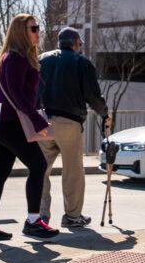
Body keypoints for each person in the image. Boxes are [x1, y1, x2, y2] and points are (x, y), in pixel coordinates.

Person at [0, 14, 58, 241]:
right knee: (38, 165)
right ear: (20, 32)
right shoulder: (16, 58)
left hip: (4, 122)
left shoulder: (15, 56)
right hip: (10, 122)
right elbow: (15, 93)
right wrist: (37, 120)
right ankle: (33, 221)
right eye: (33, 28)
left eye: (38, 28)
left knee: (0, 172)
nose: (38, 32)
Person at [37, 27, 110, 228]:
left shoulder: (42, 59)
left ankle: (40, 216)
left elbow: (33, 89)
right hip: (69, 122)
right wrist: (104, 113)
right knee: (73, 172)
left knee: (40, 170)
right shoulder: (81, 62)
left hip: (41, 120)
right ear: (76, 43)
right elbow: (93, 96)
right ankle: (72, 216)